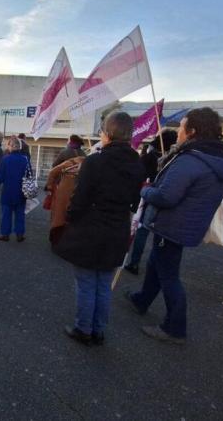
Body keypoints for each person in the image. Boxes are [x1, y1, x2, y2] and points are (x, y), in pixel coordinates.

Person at [124, 108, 223, 344]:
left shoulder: (192, 160)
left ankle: (175, 328)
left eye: (182, 127)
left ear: (193, 131)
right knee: (156, 263)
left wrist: (145, 189)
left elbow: (166, 196)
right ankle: (142, 299)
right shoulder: (215, 159)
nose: (179, 132)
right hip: (186, 224)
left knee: (169, 276)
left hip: (172, 225)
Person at [52, 112, 145, 346]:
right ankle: (98, 330)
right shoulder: (137, 163)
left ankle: (83, 328)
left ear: (108, 133)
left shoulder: (96, 161)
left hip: (90, 228)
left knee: (85, 282)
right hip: (117, 228)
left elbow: (79, 198)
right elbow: (136, 200)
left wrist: (71, 218)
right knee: (103, 283)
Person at [123, 130, 178, 275]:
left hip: (147, 198)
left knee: (142, 230)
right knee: (159, 235)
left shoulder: (149, 158)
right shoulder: (176, 159)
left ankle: (134, 262)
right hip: (166, 202)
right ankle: (157, 267)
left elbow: (137, 178)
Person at [0, 136, 30, 242]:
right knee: (20, 213)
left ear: (10, 146)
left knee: (6, 214)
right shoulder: (25, 159)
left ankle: (5, 234)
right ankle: (20, 234)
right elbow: (29, 174)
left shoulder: (6, 159)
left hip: (8, 191)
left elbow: (0, 176)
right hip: (22, 191)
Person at [44, 155, 85, 245]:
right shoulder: (86, 164)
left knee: (59, 214)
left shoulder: (68, 162)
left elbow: (53, 172)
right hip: (77, 193)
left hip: (64, 192)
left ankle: (56, 239)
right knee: (68, 216)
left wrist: (50, 186)